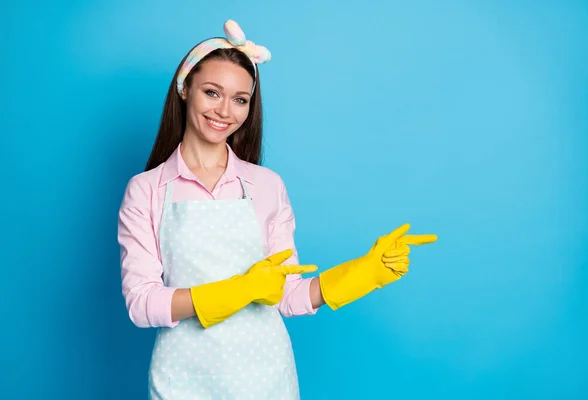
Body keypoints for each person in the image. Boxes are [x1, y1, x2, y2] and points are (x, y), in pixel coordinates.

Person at [117, 20, 437, 400]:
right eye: (212, 92)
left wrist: (365, 273)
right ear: (185, 89)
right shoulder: (147, 190)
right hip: (183, 381)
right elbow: (141, 303)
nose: (225, 110)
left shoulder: (267, 186)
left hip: (265, 378)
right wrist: (239, 290)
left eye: (240, 99)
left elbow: (288, 296)